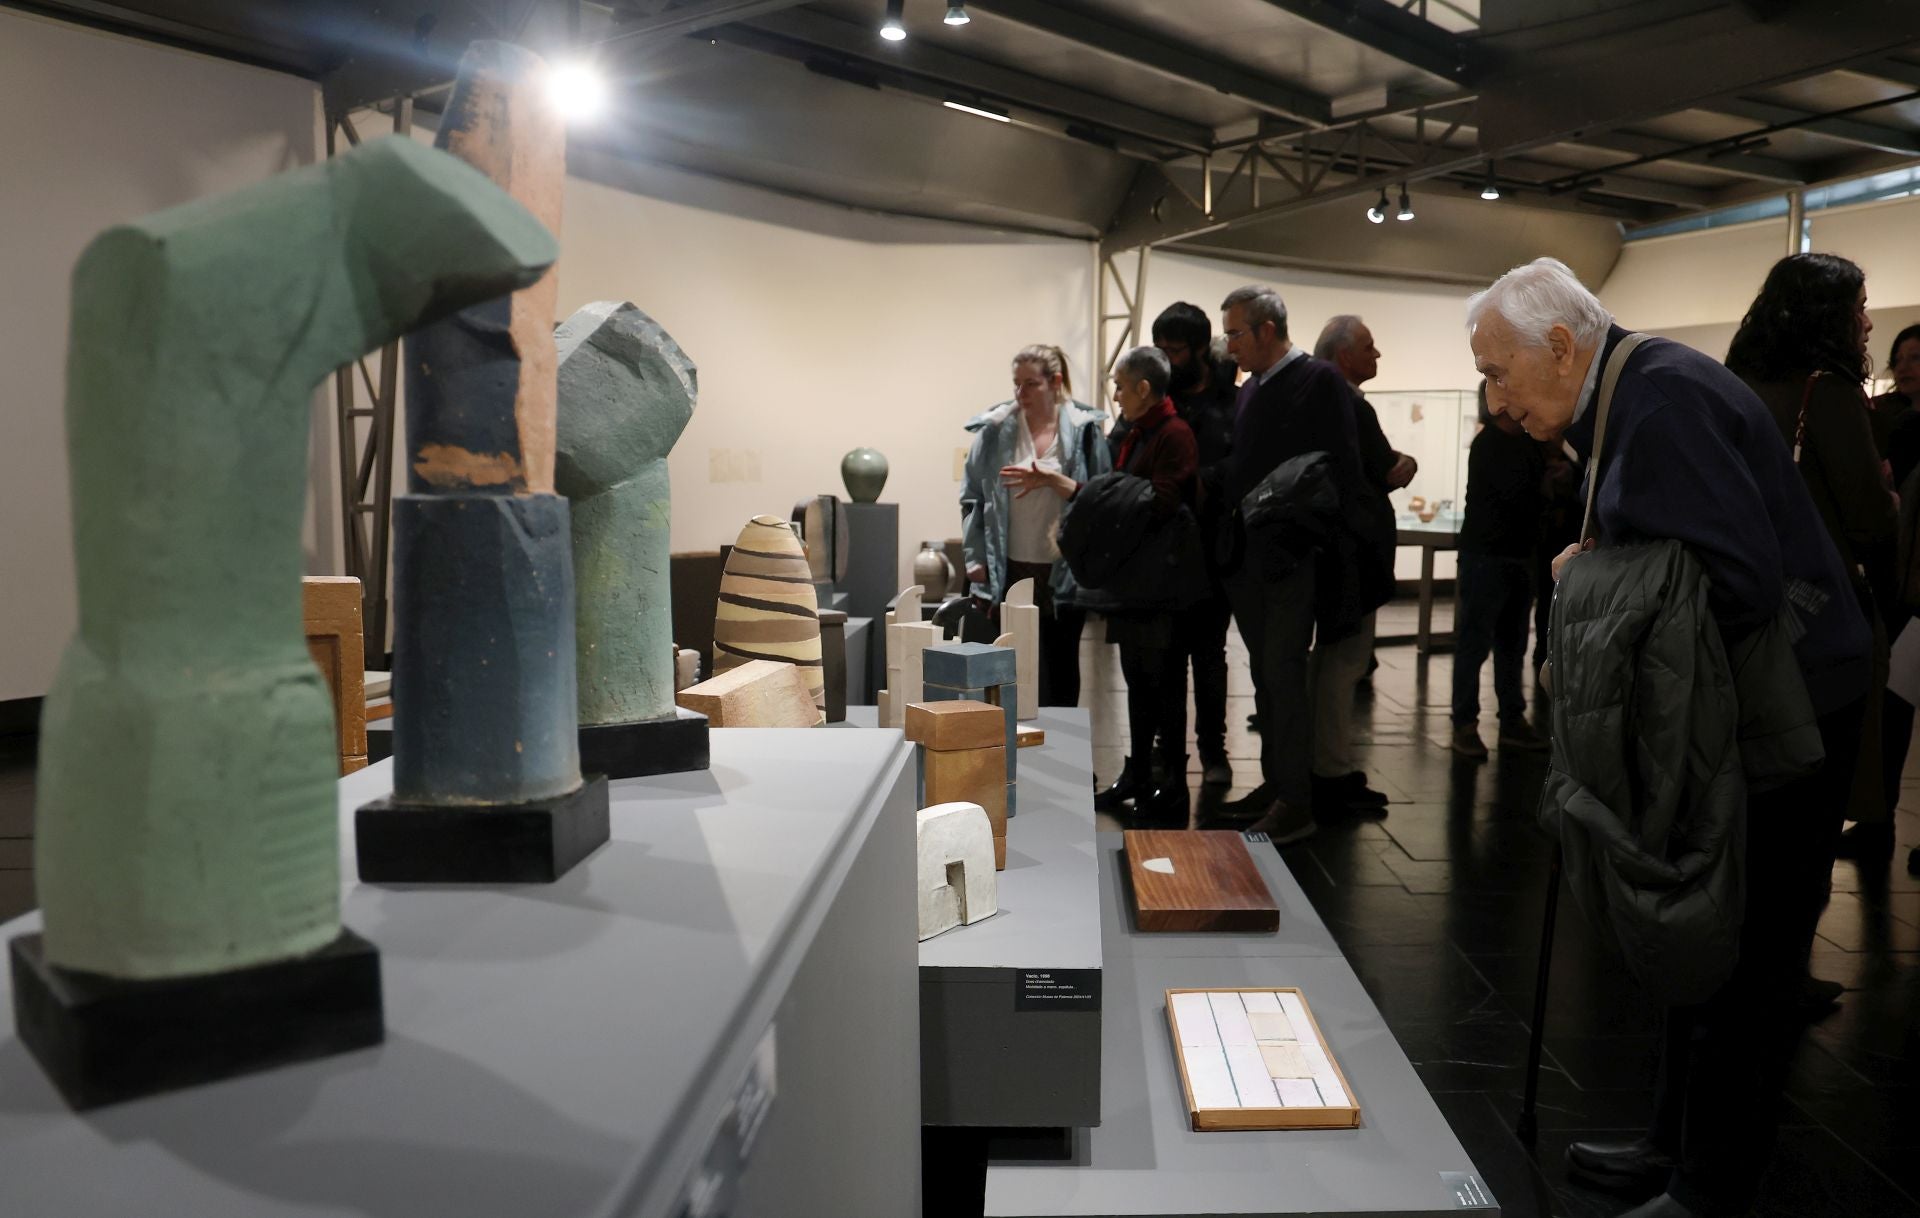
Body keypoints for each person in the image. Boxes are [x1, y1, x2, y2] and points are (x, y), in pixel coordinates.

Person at [1469, 257, 1868, 1218]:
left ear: (1561, 345)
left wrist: (1594, 577)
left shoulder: (1662, 402)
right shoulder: (1636, 389)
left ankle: (1709, 1183)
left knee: (1748, 955)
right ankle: (1668, 1144)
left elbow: (1736, 584)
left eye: (1497, 373)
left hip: (1790, 712)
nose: (1494, 401)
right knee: (1701, 937)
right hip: (1750, 702)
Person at [1727, 254, 1896, 888]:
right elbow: (1870, 518)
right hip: (1822, 612)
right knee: (1818, 794)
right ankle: (1785, 967)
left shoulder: (1736, 382)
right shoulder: (1825, 391)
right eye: (1857, 309)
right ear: (1829, 316)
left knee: (1757, 784)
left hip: (1746, 602)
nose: (1868, 325)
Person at [1219, 285, 1368, 845]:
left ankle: (1295, 801)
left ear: (1266, 330)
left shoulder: (1319, 381)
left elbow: (1340, 471)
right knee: (1265, 677)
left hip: (1291, 558)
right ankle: (1278, 785)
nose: (1229, 345)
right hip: (1250, 558)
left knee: (1284, 677)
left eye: (1236, 333)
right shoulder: (1251, 388)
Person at [960, 344, 1111, 707]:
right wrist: (974, 556)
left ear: (1055, 382)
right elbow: (973, 500)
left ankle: (1063, 754)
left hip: (1063, 569)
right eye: (1017, 384)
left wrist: (1050, 480)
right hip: (1010, 567)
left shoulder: (1083, 430)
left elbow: (1100, 494)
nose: (1020, 393)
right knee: (1010, 666)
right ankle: (1008, 750)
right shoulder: (995, 432)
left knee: (1062, 666)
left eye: (1031, 384)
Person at [1092, 345, 1202, 818]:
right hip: (1135, 583)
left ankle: (1173, 784)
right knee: (1137, 683)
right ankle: (1137, 774)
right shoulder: (1136, 432)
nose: (1115, 395)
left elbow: (1161, 500)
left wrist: (1103, 497)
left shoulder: (1174, 433)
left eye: (1120, 385)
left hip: (1164, 587)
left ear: (1143, 388)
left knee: (1166, 686)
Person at [1311, 315, 1412, 811]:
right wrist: (1402, 465)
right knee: (1342, 663)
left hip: (1331, 551)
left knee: (1332, 662)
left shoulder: (1317, 399)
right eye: (1369, 348)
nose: (1377, 356)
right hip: (1350, 554)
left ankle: (1324, 765)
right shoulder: (1348, 403)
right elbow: (1380, 471)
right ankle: (1329, 771)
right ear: (1344, 355)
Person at [1152, 302, 1235, 790]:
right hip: (1166, 549)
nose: (1167, 359)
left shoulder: (1229, 400)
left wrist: (1204, 480)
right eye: (1160, 349)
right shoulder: (1162, 397)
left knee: (1208, 657)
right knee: (1166, 657)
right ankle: (1170, 752)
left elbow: (1241, 461)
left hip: (1211, 545)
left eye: (1176, 350)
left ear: (1201, 348)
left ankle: (1213, 750)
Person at [1448, 386, 1548, 759]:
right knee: (1475, 643)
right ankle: (1466, 723)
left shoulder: (1523, 444)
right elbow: (1519, 495)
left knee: (1512, 643)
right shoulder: (1489, 444)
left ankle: (1510, 721)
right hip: (1488, 556)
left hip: (1515, 555)